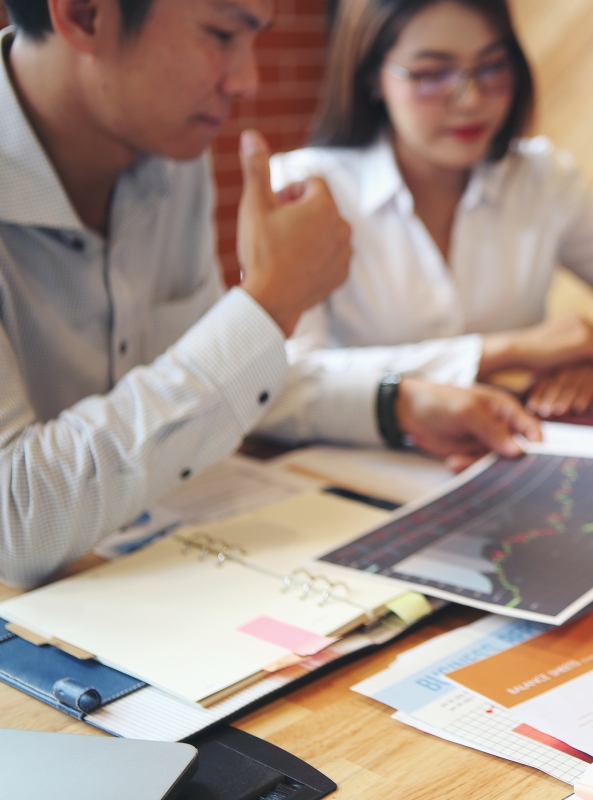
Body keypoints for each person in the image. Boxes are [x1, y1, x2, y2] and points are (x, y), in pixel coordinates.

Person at [0, 0, 547, 589]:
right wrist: (267, 305)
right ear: (84, 15)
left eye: (255, 39)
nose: (247, 80)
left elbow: (212, 382)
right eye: (220, 33)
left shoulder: (166, 149)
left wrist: (396, 404)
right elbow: (15, 523)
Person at [270, 0, 593, 421]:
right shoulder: (306, 187)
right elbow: (282, 382)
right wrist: (509, 351)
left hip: (518, 448)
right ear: (372, 76)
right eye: (432, 74)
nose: (471, 99)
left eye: (492, 66)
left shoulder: (541, 178)